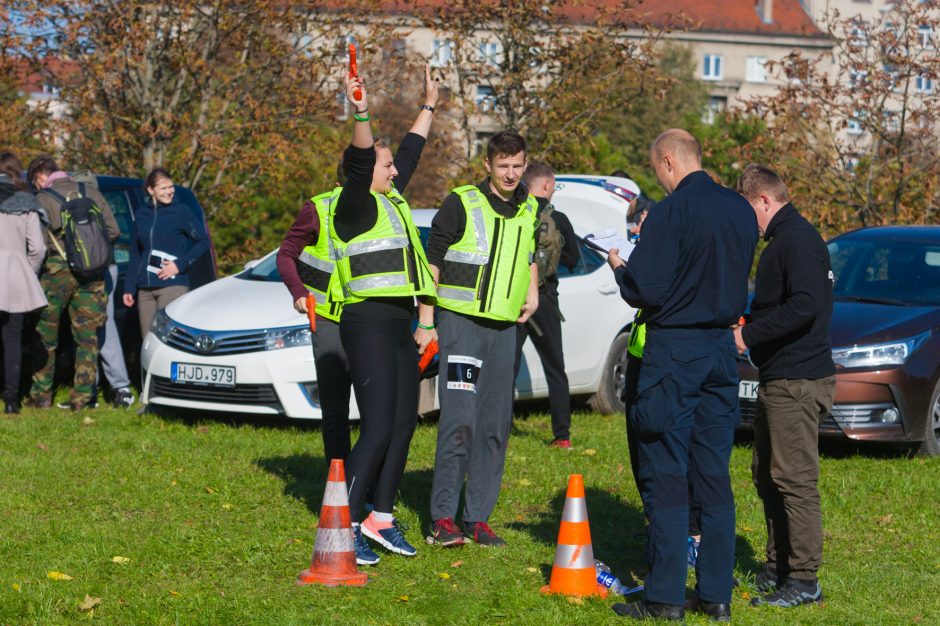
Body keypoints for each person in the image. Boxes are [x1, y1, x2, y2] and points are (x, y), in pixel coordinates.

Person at [607, 129, 757, 622]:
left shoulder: (671, 212)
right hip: (720, 350)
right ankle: (715, 595)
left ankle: (664, 597)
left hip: (676, 350)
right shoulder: (739, 209)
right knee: (713, 476)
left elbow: (645, 288)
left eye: (657, 171)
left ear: (669, 161)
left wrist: (620, 269)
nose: (660, 180)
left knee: (667, 473)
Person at [327, 66, 439, 565]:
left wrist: (429, 105)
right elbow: (360, 160)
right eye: (386, 166)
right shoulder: (353, 206)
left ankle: (380, 518)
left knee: (402, 424)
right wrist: (362, 111)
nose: (396, 172)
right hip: (366, 321)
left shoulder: (390, 199)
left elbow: (410, 154)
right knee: (374, 427)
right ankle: (343, 522)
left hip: (399, 324)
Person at [422, 130, 540, 548]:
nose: (510, 173)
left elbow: (527, 254)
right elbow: (432, 257)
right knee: (460, 419)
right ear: (488, 165)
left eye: (517, 165)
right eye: (503, 165)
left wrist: (534, 287)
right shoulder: (463, 202)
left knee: (495, 424)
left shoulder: (530, 207)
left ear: (525, 165)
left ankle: (477, 517)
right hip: (461, 325)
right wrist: (426, 318)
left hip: (504, 330)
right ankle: (442, 518)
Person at [734, 164, 835, 608]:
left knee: (794, 480)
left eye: (748, 210)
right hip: (779, 377)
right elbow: (783, 304)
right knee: (767, 475)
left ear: (763, 201)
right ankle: (777, 567)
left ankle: (804, 579)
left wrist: (748, 335)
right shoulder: (783, 240)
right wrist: (749, 322)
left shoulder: (798, 240)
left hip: (798, 379)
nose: (748, 223)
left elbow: (807, 305)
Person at [26, 156, 120, 411]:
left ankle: (41, 395)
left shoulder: (42, 199)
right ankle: (83, 397)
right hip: (92, 272)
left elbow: (38, 244)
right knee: (87, 338)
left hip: (57, 272)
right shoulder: (91, 192)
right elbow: (113, 231)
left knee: (46, 335)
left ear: (42, 177)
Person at [276, 171, 354, 465]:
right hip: (329, 320)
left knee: (376, 410)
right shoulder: (318, 208)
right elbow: (286, 254)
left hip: (371, 321)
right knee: (335, 408)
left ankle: (369, 483)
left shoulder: (385, 203)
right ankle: (338, 481)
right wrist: (298, 292)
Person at [512, 161, 579, 448]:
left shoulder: (515, 212)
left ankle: (498, 431)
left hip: (514, 300)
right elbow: (573, 260)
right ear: (547, 185)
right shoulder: (558, 218)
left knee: (506, 368)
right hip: (547, 300)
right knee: (555, 369)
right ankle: (562, 436)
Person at [122, 168, 210, 338]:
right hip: (145, 290)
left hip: (172, 286)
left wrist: (179, 264)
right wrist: (129, 288)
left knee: (166, 338)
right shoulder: (141, 214)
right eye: (163, 188)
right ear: (150, 190)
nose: (169, 192)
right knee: (148, 340)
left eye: (171, 187)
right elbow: (136, 252)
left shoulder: (181, 211)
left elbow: (203, 242)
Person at [0, 153, 48, 414]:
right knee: (13, 339)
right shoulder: (25, 202)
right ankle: (11, 400)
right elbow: (38, 249)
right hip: (16, 276)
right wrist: (27, 272)